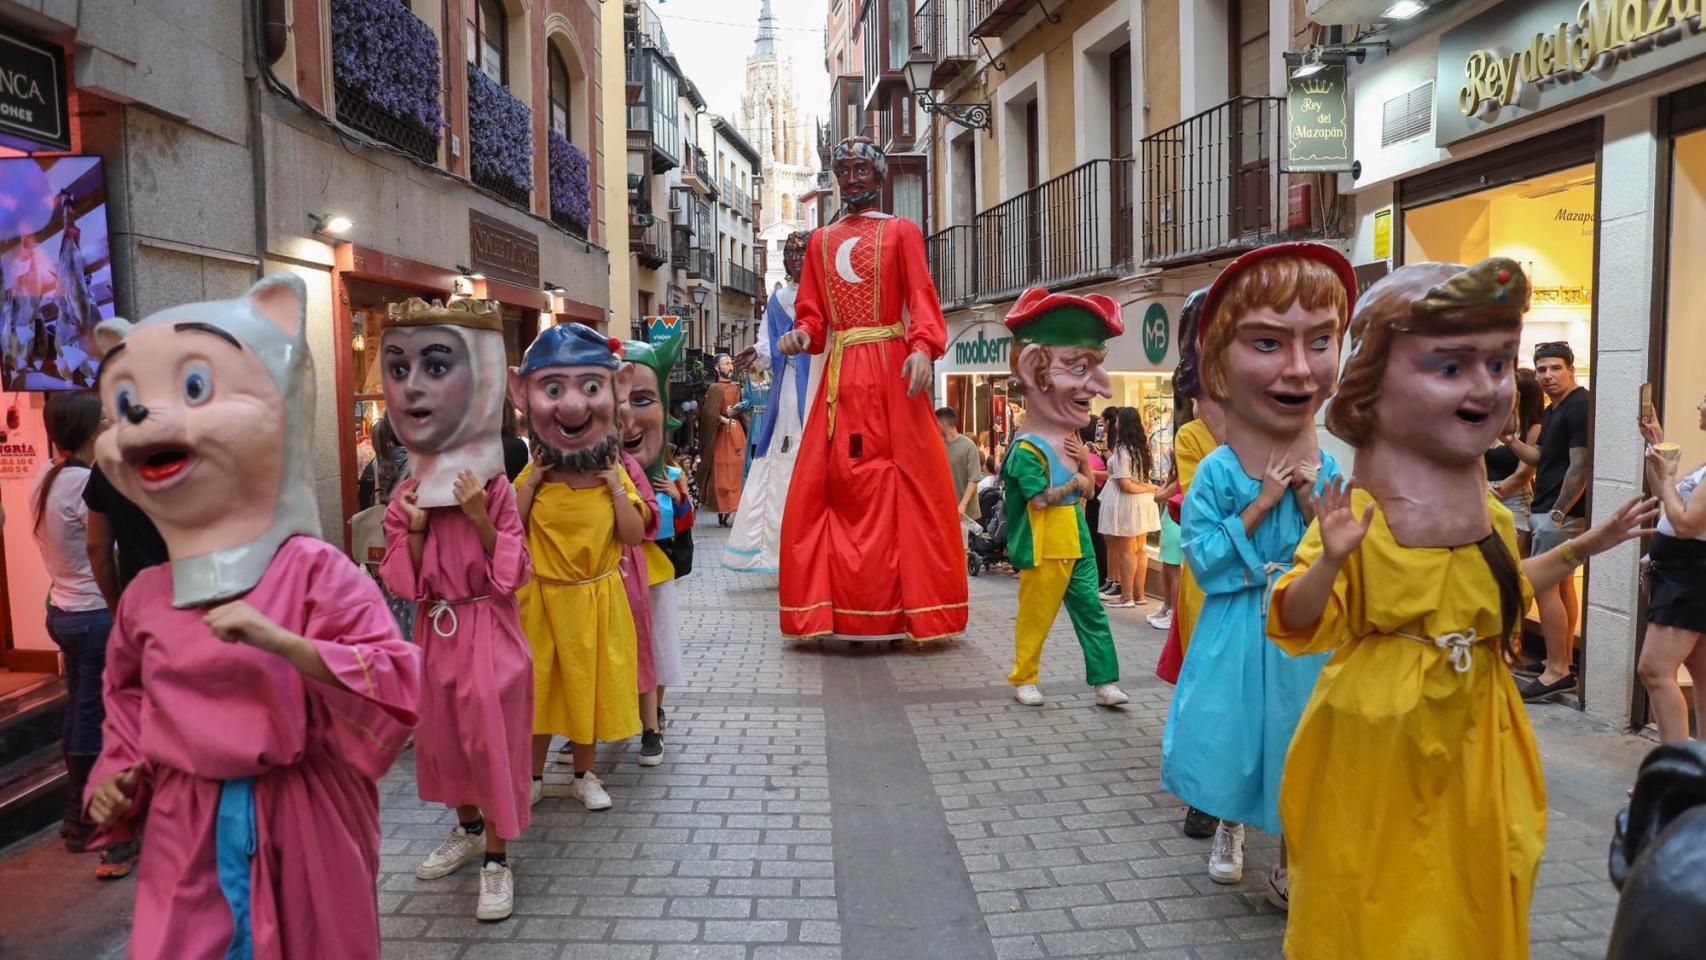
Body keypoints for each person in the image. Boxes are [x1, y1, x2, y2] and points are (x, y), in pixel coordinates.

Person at [1269, 257, 1655, 959]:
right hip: (1379, 738)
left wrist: (1593, 542)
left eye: (1500, 363)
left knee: (1477, 883)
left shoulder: (1488, 515)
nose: (1487, 388)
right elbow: (1296, 620)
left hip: (1481, 725)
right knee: (1372, 893)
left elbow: (1502, 590)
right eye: (1449, 366)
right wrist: (1328, 558)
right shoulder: (1359, 514)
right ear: (1373, 386)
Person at [85, 275, 420, 959]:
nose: (145, 420)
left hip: (301, 815)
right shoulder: (147, 596)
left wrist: (286, 644)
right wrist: (118, 775)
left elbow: (393, 678)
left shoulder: (314, 570)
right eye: (126, 403)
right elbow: (125, 702)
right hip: (187, 828)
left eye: (196, 387)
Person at [1160, 242, 1354, 904]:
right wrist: (1263, 504)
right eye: (1269, 344)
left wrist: (1306, 504)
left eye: (1319, 342)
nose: (1298, 371)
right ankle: (1230, 831)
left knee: (1302, 734)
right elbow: (1205, 555)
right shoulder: (1216, 469)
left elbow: (1335, 552)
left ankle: (1296, 852)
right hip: (1238, 621)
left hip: (1301, 619)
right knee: (1234, 730)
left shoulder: (1325, 470)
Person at [375, 296, 534, 922]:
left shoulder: (493, 487)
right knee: (443, 742)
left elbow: (512, 572)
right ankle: (467, 830)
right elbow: (403, 583)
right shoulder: (408, 492)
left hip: (487, 627)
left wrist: (476, 516)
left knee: (491, 741)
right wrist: (413, 529)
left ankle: (498, 858)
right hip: (436, 630)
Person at [774, 136, 968, 642]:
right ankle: (829, 609)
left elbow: (923, 297)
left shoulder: (902, 233)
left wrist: (924, 347)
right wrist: (803, 334)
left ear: (879, 177)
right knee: (828, 483)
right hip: (841, 372)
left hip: (891, 366)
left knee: (914, 481)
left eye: (862, 169)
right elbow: (812, 315)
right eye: (845, 170)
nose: (853, 178)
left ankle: (921, 609)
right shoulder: (819, 242)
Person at [509, 323, 644, 812]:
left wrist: (613, 484)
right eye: (553, 389)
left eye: (590, 387)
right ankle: (532, 775)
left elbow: (632, 535)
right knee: (540, 691)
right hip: (541, 601)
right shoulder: (535, 476)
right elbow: (510, 526)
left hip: (595, 600)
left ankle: (585, 774)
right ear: (523, 394)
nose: (571, 407)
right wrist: (535, 479)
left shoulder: (617, 475)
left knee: (588, 691)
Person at [999, 287, 1128, 709]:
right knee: (1036, 615)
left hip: (1075, 535)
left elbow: (1088, 491)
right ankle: (1025, 676)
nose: (1103, 387)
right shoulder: (1027, 449)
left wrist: (1085, 471)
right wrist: (1077, 482)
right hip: (1043, 542)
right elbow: (1040, 500)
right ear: (1035, 366)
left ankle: (1105, 680)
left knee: (1091, 610)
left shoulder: (1072, 440)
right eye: (1080, 366)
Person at [30, 391, 132, 878]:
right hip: (94, 613)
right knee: (100, 719)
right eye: (105, 421)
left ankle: (77, 815)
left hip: (64, 613)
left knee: (79, 713)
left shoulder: (43, 479)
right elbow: (100, 550)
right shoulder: (83, 482)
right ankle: (96, 823)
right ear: (91, 432)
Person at [725, 231, 819, 573]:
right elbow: (767, 343)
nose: (796, 260)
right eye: (790, 254)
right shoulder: (778, 300)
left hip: (819, 385)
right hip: (788, 391)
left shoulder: (824, 294)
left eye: (801, 253)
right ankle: (778, 552)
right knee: (781, 466)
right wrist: (758, 351)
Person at [622, 337, 692, 764]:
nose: (626, 417)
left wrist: (677, 495)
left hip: (658, 568)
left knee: (659, 644)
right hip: (613, 570)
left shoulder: (671, 470)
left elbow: (684, 520)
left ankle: (653, 714)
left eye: (642, 399)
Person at [1510, 341, 1590, 701]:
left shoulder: (1579, 406)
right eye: (1541, 369)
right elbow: (1541, 458)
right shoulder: (1555, 409)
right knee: (1560, 587)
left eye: (1555, 368)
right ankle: (1556, 661)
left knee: (1543, 585)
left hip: (1560, 514)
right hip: (1548, 510)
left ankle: (1556, 669)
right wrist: (1508, 438)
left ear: (1571, 369)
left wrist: (1559, 510)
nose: (1547, 376)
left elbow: (1581, 465)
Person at [1637, 397, 1706, 743]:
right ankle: (1694, 772)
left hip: (1688, 580)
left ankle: (1675, 773)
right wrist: (1657, 450)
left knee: (1654, 669)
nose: (1699, 405)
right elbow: (1664, 497)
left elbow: (1686, 524)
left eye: (1705, 401)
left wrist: (1667, 480)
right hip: (1684, 578)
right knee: (1701, 672)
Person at [1099, 406, 1159, 608]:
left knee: (1126, 549)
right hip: (1141, 502)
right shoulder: (1141, 448)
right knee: (1140, 550)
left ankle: (1126, 596)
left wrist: (1144, 488)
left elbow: (1125, 483)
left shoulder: (1124, 450)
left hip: (1127, 502)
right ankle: (1139, 594)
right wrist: (1148, 487)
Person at [1488, 367, 1544, 556]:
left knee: (1513, 561)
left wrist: (1492, 494)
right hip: (1483, 492)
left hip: (1513, 497)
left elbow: (1524, 474)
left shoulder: (1534, 429)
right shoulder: (1494, 424)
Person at [696, 353, 747, 526]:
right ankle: (723, 508)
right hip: (722, 433)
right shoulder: (714, 388)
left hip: (737, 433)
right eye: (726, 364)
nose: (730, 367)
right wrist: (724, 419)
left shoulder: (738, 387)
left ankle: (735, 507)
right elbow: (709, 413)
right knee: (721, 472)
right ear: (717, 368)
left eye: (731, 363)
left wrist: (740, 410)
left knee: (738, 469)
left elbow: (745, 409)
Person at [938, 406, 984, 550]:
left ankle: (961, 574)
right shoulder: (938, 445)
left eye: (936, 422)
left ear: (944, 423)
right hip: (943, 508)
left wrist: (962, 505)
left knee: (960, 549)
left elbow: (974, 478)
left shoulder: (968, 446)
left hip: (961, 510)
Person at [1149, 461, 1182, 632]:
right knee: (1167, 568)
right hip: (1170, 524)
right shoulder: (1177, 480)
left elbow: (1158, 496)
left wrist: (1168, 480)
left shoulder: (1178, 483)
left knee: (1173, 569)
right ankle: (1167, 606)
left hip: (1175, 527)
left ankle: (1174, 612)